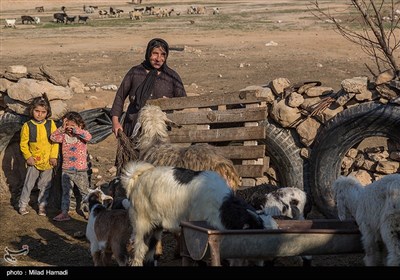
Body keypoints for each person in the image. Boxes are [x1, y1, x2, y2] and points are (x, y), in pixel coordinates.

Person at [110, 38, 187, 171]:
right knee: (129, 167)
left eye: (163, 55)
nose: (159, 58)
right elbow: (120, 96)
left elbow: (183, 101)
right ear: (148, 54)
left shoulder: (171, 76)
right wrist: (115, 122)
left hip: (159, 131)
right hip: (133, 127)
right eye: (155, 54)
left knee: (157, 166)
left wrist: (169, 102)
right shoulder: (135, 72)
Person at [18, 93, 59, 216]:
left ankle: (42, 205)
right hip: (33, 161)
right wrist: (28, 157)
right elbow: (23, 144)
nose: (39, 114)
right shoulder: (27, 126)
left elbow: (55, 142)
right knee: (28, 184)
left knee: (45, 185)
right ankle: (22, 204)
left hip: (48, 161)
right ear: (32, 111)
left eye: (43, 112)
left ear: (47, 113)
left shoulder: (51, 124)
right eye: (37, 111)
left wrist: (53, 156)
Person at [50, 111, 92, 222]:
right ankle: (64, 213)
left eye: (72, 125)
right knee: (66, 193)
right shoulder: (63, 137)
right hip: (66, 170)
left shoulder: (82, 136)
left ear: (80, 125)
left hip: (81, 170)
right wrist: (62, 128)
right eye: (67, 125)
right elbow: (53, 137)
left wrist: (77, 131)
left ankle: (89, 212)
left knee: (84, 192)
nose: (70, 128)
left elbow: (89, 137)